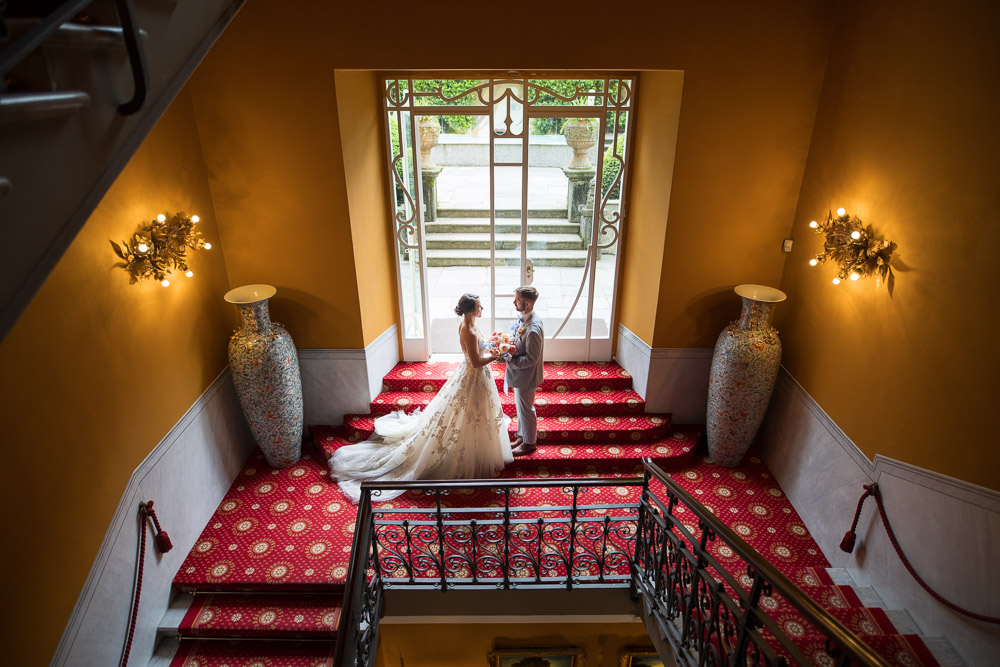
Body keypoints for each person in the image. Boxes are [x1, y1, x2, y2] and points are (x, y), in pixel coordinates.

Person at [329, 293, 513, 502]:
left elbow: (480, 351)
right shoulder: (469, 330)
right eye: (479, 307)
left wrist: (494, 345)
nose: (483, 309)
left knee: (475, 414)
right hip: (474, 375)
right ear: (470, 310)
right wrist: (497, 355)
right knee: (468, 414)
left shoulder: (468, 323)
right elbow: (476, 362)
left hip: (476, 377)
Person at [506, 286, 545, 457]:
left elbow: (531, 359)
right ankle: (523, 436)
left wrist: (510, 359)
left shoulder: (533, 330)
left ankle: (530, 443)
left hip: (527, 377)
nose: (514, 302)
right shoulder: (526, 319)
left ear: (527, 304)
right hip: (521, 376)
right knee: (521, 408)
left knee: (526, 409)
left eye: (517, 300)